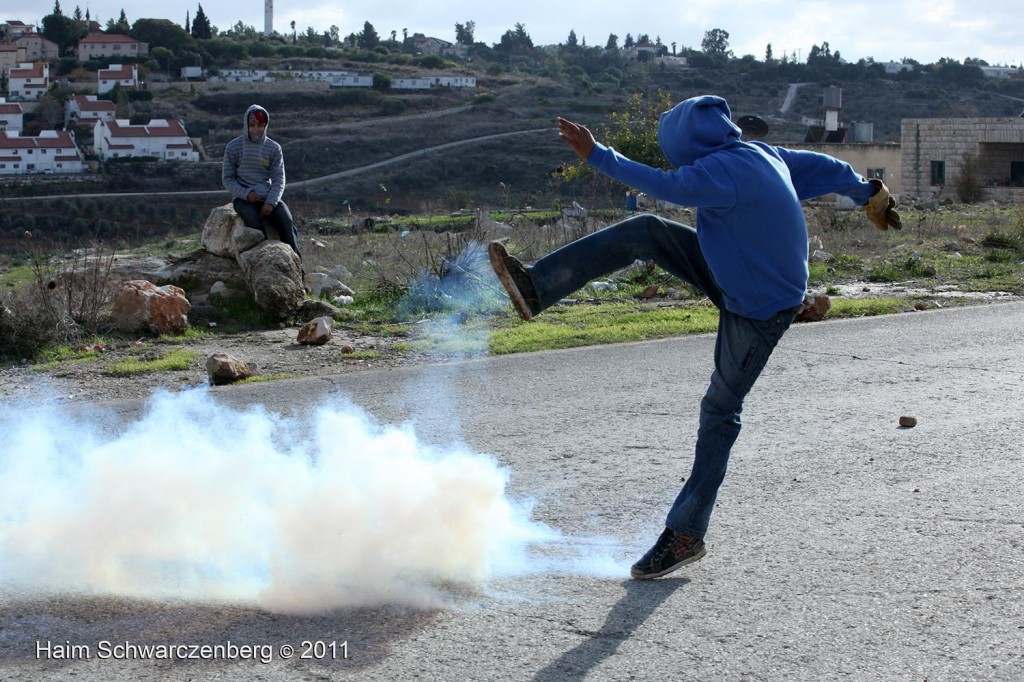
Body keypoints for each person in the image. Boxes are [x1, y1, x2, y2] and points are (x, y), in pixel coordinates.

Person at [488, 94, 901, 580]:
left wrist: (597, 154)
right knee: (645, 231)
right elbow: (825, 167)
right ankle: (537, 288)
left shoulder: (714, 173)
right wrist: (868, 190)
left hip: (756, 309)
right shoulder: (764, 154)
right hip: (732, 271)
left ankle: (686, 533)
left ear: (688, 146)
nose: (673, 159)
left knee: (720, 412)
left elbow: (660, 183)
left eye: (673, 150)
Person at [222, 104, 302, 259]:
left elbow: (279, 178)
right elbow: (228, 179)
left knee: (287, 222)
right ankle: (266, 261)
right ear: (246, 125)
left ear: (265, 125)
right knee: (255, 224)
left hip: (267, 195)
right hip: (243, 199)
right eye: (252, 125)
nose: (256, 129)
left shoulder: (273, 148)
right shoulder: (234, 147)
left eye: (260, 125)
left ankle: (297, 266)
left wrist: (271, 202)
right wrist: (246, 194)